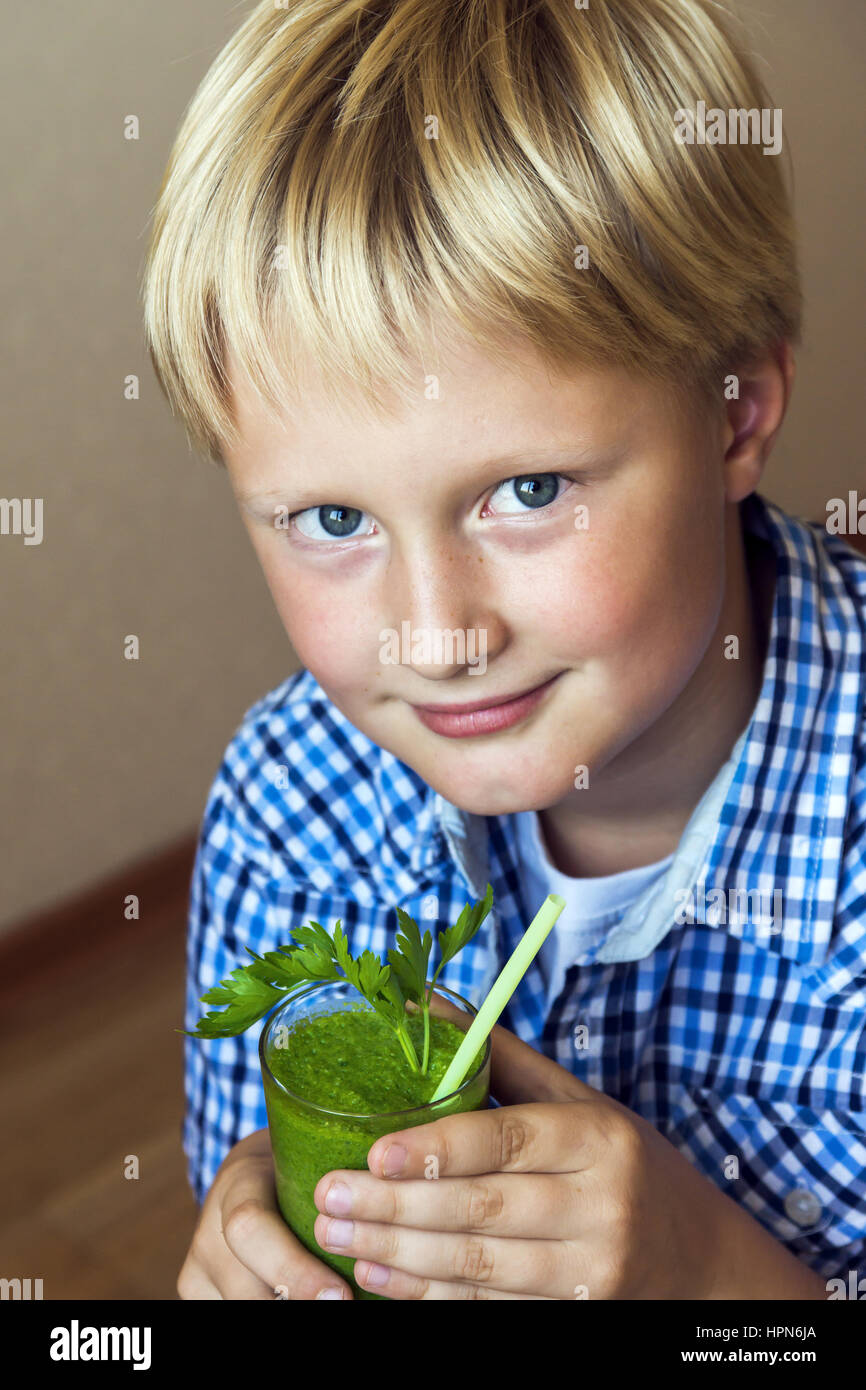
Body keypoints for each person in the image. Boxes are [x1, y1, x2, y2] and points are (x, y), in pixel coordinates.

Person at [142, 0, 866, 1299]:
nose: (435, 632)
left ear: (734, 411)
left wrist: (710, 1273)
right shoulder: (289, 802)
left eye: (526, 491)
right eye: (330, 519)